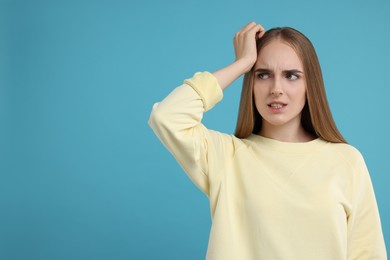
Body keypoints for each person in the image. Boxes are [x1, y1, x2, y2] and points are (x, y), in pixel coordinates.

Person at [148, 22, 387, 259]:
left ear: (309, 85)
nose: (276, 88)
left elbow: (368, 254)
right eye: (263, 75)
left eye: (291, 76)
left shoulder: (346, 161)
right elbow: (167, 116)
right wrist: (241, 64)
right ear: (251, 83)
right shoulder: (226, 156)